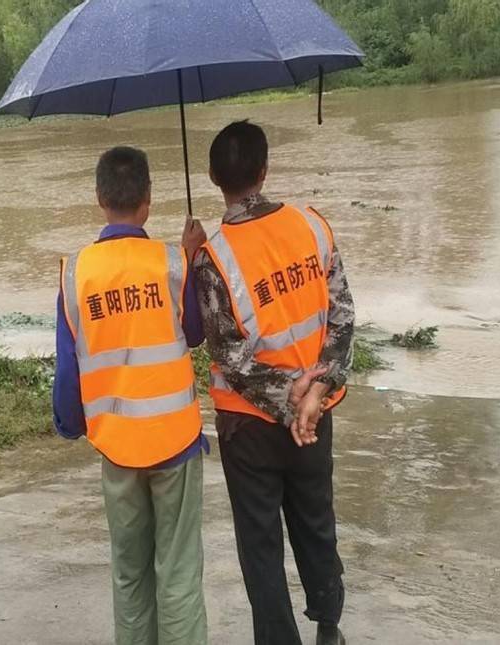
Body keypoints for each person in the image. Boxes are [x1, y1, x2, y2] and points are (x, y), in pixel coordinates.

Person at [192, 121, 355, 645]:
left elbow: (231, 359)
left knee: (260, 542)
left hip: (250, 425)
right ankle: (329, 624)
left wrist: (190, 255)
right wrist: (314, 393)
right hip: (315, 414)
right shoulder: (312, 225)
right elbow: (343, 317)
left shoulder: (213, 257)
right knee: (315, 517)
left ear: (215, 177)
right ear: (264, 170)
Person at [53, 146, 211, 645]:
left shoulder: (75, 274)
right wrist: (192, 256)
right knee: (179, 571)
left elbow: (68, 369)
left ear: (101, 198)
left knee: (129, 573)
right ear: (148, 199)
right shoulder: (171, 263)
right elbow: (196, 331)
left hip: (117, 448)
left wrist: (72, 425)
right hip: (177, 441)